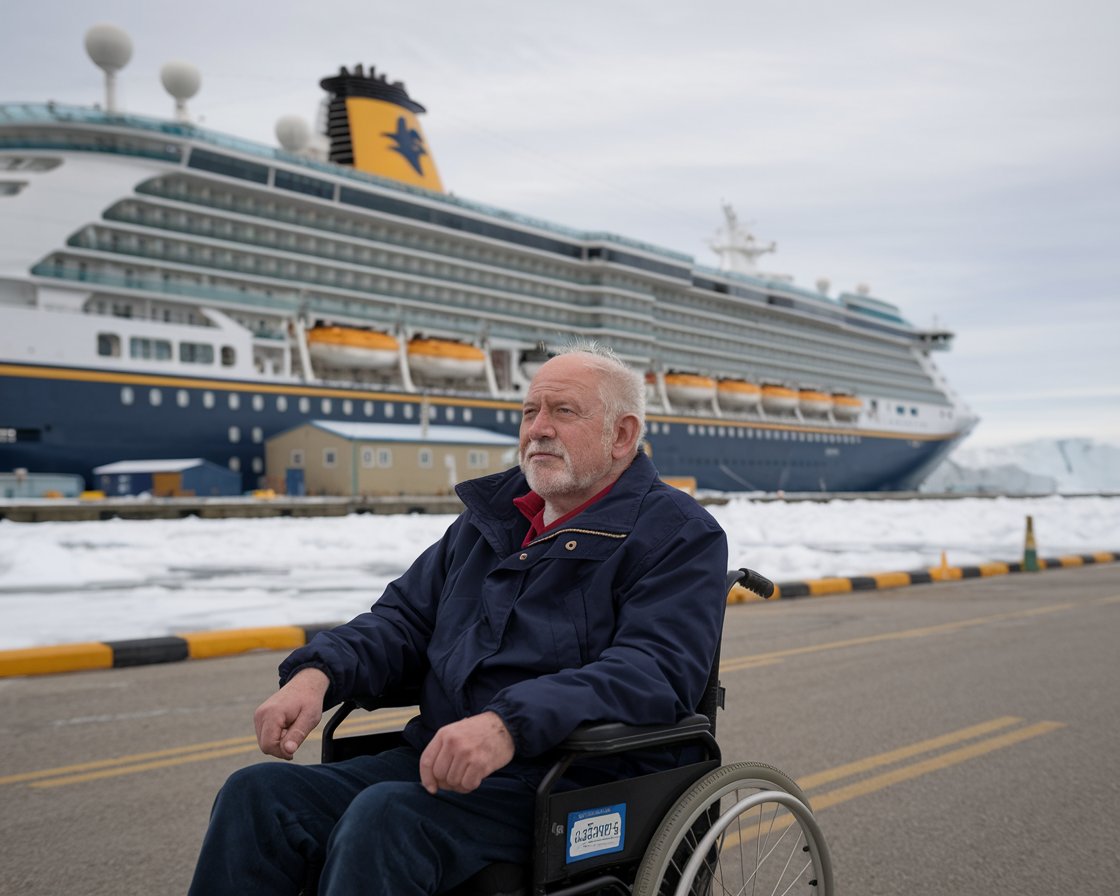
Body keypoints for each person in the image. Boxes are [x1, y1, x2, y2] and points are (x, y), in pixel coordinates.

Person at [189, 343, 729, 895]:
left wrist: (507, 724)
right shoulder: (489, 522)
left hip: (575, 780)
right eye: (529, 412)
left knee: (387, 819)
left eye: (563, 412)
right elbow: (402, 620)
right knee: (257, 796)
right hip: (445, 760)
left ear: (621, 435)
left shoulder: (678, 533)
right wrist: (318, 674)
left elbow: (653, 672)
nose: (537, 429)